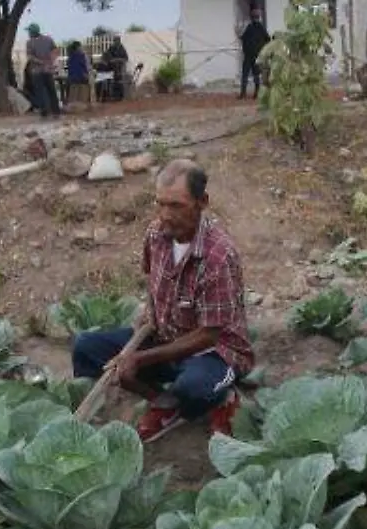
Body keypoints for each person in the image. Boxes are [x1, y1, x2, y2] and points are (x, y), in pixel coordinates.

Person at [72, 159, 254, 443]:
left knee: (195, 388)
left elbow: (209, 335)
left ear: (202, 202)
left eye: (177, 206)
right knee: (86, 348)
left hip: (213, 352)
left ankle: (222, 398)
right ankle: (163, 402)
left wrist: (140, 358)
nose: (166, 215)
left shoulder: (218, 256)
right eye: (161, 204)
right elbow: (153, 282)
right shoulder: (156, 235)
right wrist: (147, 318)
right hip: (164, 339)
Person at [25, 23, 61, 118]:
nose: (28, 33)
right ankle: (56, 112)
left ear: (32, 32)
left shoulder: (30, 42)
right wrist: (51, 61)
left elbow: (30, 57)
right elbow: (55, 51)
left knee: (40, 92)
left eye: (29, 31)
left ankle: (44, 112)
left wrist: (40, 62)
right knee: (51, 90)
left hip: (37, 71)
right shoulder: (48, 39)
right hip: (48, 69)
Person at [238, 5, 270, 99]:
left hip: (249, 55)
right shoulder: (261, 28)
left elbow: (243, 38)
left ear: (252, 18)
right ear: (258, 17)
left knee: (245, 75)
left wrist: (238, 34)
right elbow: (268, 39)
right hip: (256, 56)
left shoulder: (250, 27)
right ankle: (256, 94)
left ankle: (243, 94)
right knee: (256, 75)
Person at [67, 41, 92, 110]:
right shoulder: (83, 55)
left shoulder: (70, 57)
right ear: (78, 47)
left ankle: (72, 106)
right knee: (83, 95)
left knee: (73, 95)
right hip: (82, 78)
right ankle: (82, 106)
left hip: (72, 79)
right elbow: (88, 67)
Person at [104, 35, 130, 101]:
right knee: (112, 82)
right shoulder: (111, 48)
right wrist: (112, 60)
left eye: (118, 40)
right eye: (115, 41)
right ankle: (112, 95)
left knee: (120, 82)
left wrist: (119, 60)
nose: (116, 42)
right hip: (112, 69)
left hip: (120, 69)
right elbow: (107, 57)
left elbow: (126, 58)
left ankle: (120, 96)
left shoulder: (122, 48)